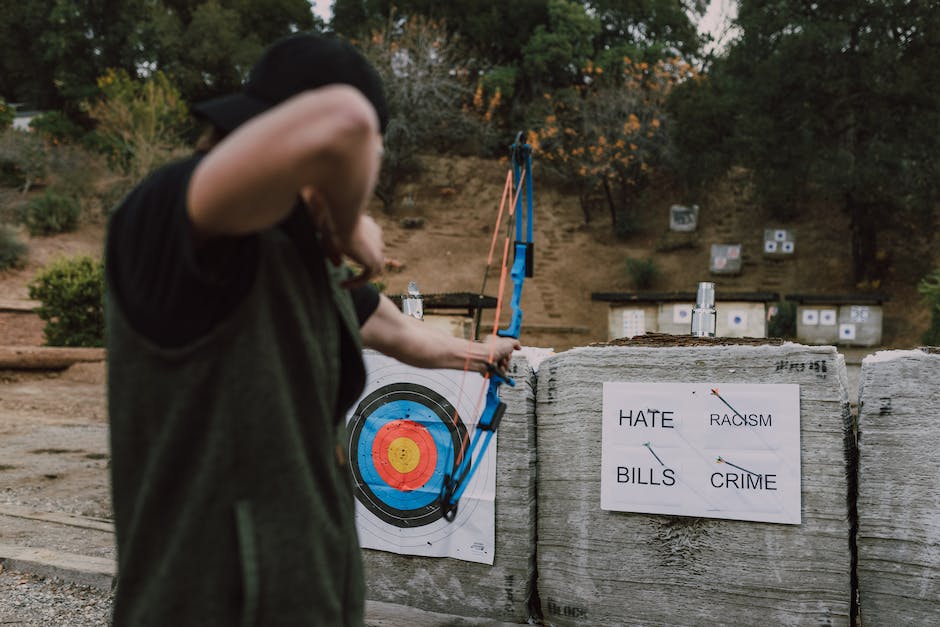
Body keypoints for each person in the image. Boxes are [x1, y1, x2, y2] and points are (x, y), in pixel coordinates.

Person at [105, 33, 519, 626]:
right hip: (200, 601)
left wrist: (483, 354)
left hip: (309, 594)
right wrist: (350, 224)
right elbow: (346, 122)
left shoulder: (300, 261)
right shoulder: (167, 214)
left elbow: (402, 335)